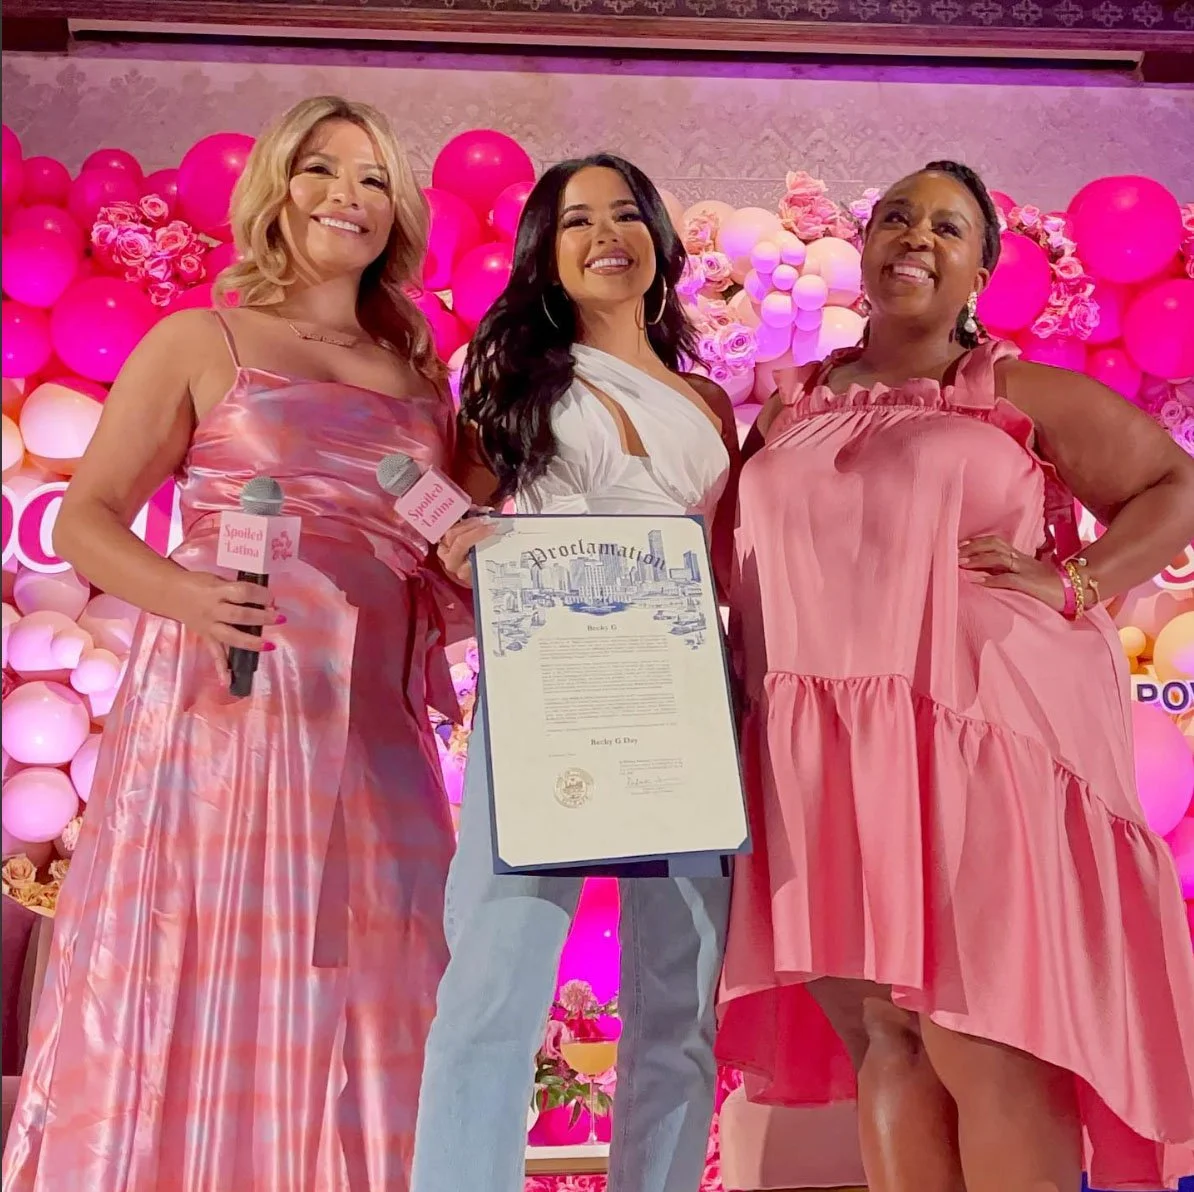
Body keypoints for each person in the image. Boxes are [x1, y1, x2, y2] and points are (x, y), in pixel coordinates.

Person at [3, 96, 465, 1192]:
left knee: (381, 964)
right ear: (277, 186)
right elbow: (86, 518)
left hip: (376, 724)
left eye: (369, 176)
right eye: (319, 168)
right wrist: (191, 597)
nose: (345, 195)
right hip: (231, 709)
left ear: (395, 207)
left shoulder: (418, 365)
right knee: (222, 960)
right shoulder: (198, 339)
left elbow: (444, 529)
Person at [716, 160, 1194, 1192]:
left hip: (979, 731)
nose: (915, 237)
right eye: (895, 216)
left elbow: (1173, 485)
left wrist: (1078, 583)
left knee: (984, 1034)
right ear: (865, 245)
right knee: (884, 1032)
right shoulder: (786, 409)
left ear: (982, 265)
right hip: (821, 752)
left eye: (947, 225)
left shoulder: (1011, 392)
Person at [410, 153, 741, 1192]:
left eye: (628, 213)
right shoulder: (509, 381)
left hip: (683, 701)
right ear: (546, 258)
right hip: (548, 687)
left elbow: (729, 554)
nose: (608, 234)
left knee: (681, 997)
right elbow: (432, 504)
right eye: (577, 220)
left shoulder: (709, 400)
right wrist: (455, 539)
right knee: (495, 979)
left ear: (657, 238)